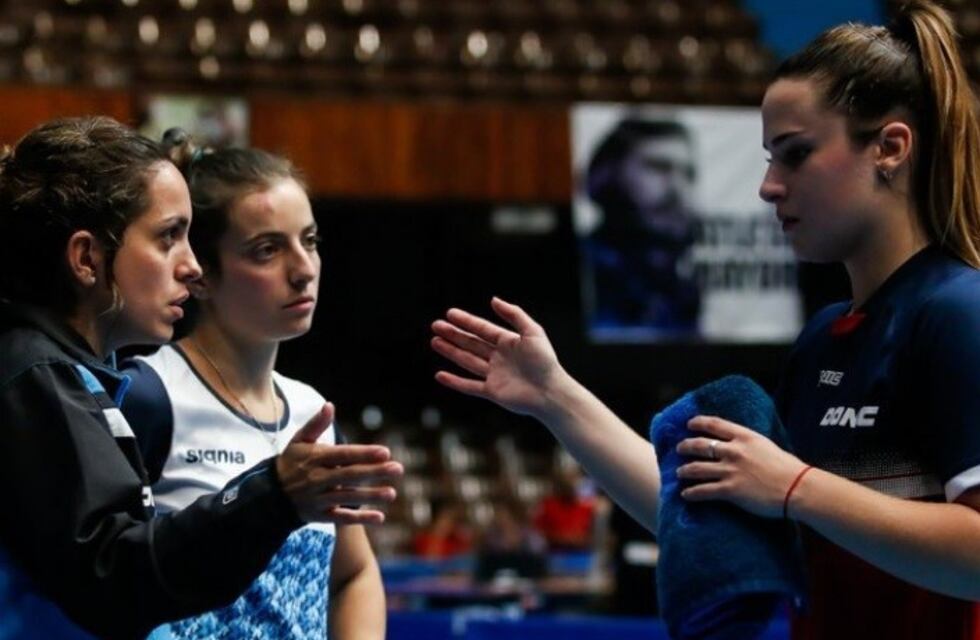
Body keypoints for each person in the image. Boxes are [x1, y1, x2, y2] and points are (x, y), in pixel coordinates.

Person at [432, 1, 980, 636]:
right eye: (769, 157)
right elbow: (706, 507)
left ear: (890, 147)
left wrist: (796, 486)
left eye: (795, 154)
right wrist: (556, 398)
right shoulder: (826, 341)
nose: (768, 185)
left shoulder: (956, 314)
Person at [0, 117, 402, 640]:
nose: (190, 266)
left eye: (311, 241)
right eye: (169, 237)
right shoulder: (36, 376)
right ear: (86, 258)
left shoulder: (71, 378)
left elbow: (352, 573)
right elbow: (117, 580)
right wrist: (272, 495)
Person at [119, 132, 388, 639]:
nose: (304, 270)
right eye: (267, 250)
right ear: (199, 275)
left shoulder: (313, 412)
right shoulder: (149, 396)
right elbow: (103, 579)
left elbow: (354, 574)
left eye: (309, 241)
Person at [582, 118, 701, 335]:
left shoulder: (682, 289)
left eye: (688, 174)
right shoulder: (583, 270)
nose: (677, 189)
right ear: (605, 175)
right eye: (658, 167)